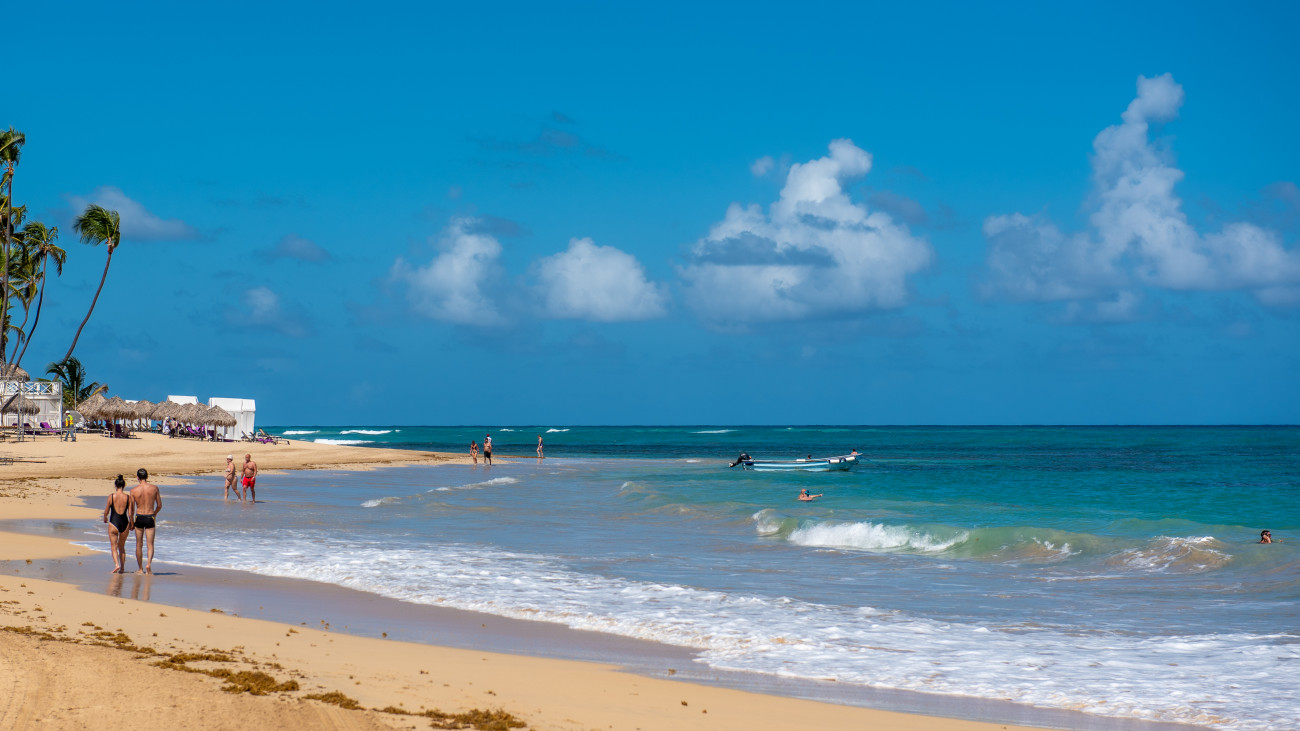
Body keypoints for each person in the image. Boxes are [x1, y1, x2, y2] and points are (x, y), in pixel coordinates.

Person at [131, 468, 161, 575]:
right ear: (147, 476)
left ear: (137, 477)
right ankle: (148, 565)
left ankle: (140, 569)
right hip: (150, 516)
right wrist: (154, 514)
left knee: (139, 544)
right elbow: (159, 505)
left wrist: (131, 521)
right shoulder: (154, 488)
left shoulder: (133, 490)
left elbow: (131, 510)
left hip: (139, 516)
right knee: (150, 545)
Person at [102, 475, 133, 573]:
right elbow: (130, 514)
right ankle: (122, 568)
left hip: (113, 522)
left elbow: (106, 511)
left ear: (115, 486)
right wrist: (132, 523)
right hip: (124, 523)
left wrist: (105, 518)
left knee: (113, 546)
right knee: (121, 547)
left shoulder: (111, 496)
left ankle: (116, 564)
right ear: (124, 486)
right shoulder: (128, 498)